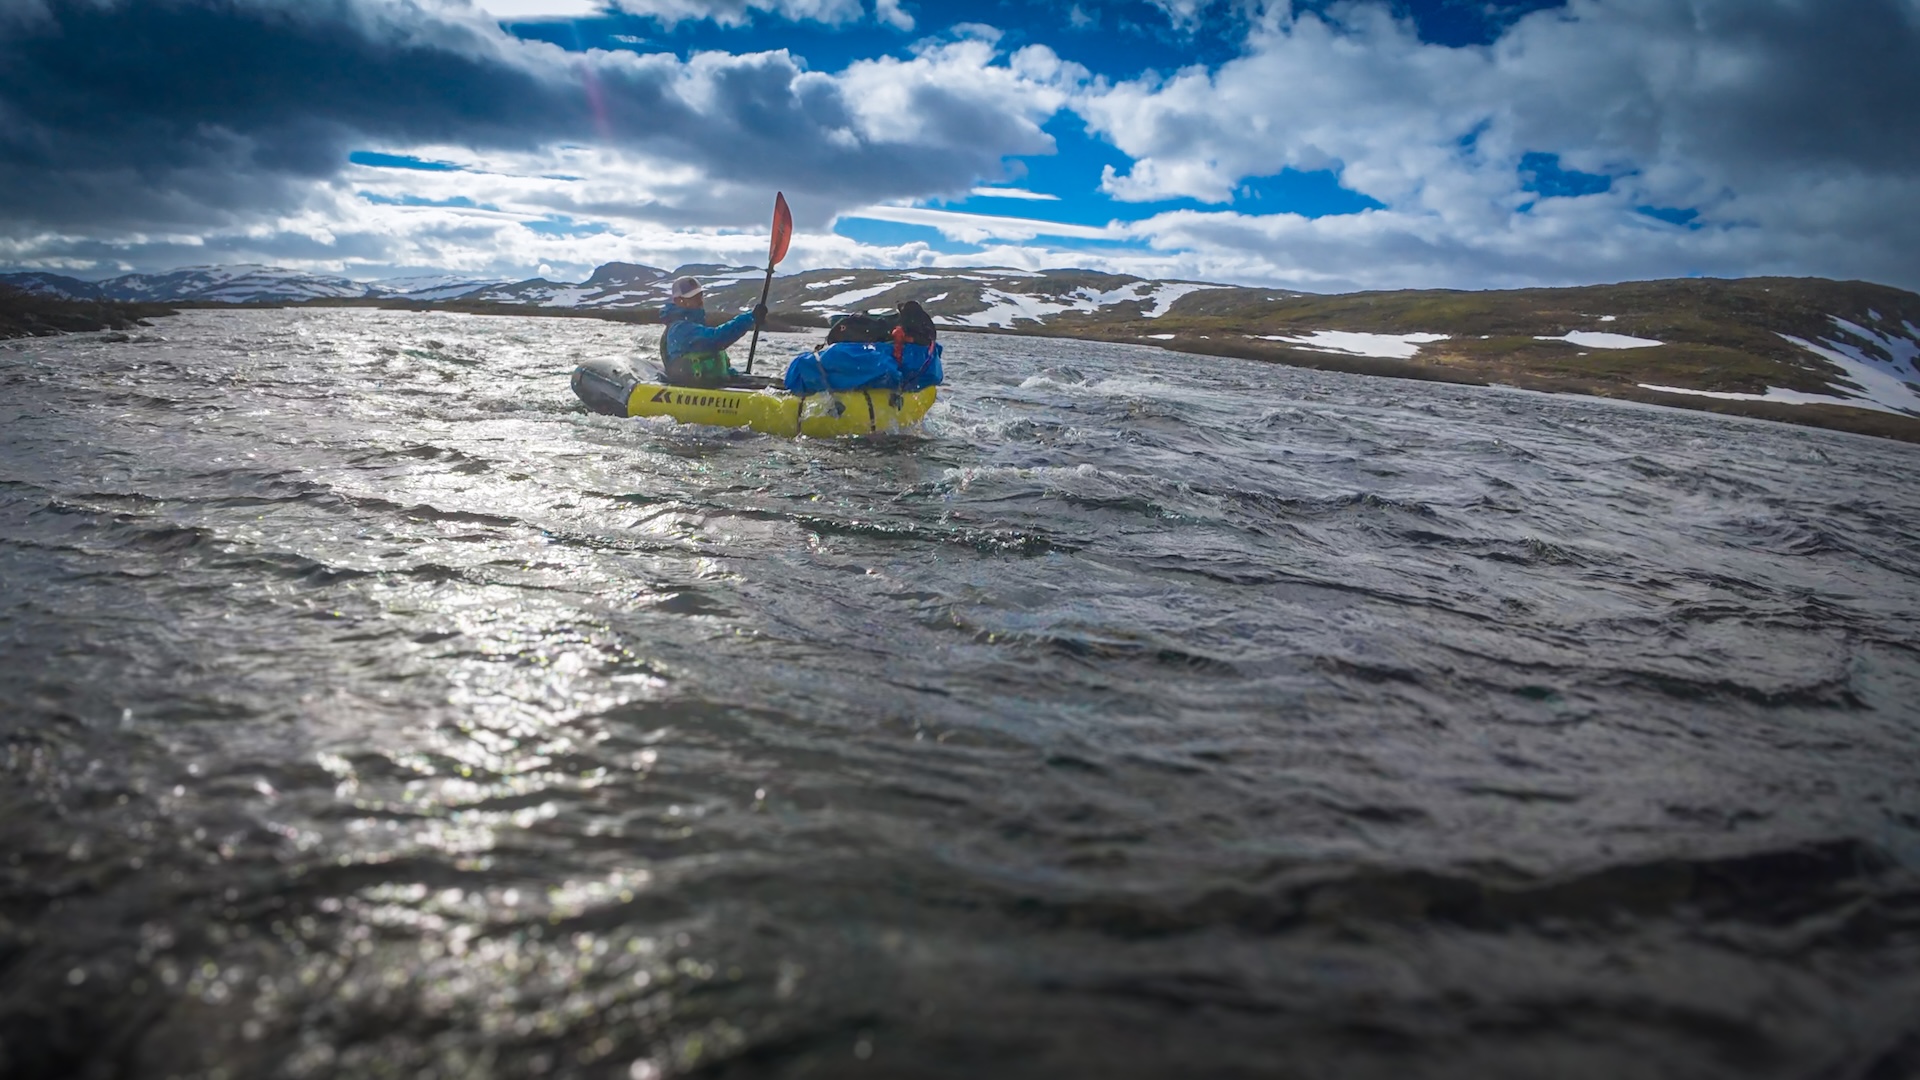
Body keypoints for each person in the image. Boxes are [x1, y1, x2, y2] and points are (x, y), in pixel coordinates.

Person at [658, 276, 768, 387]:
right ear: (678, 301)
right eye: (693, 297)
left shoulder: (694, 326)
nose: (700, 300)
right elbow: (717, 338)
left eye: (700, 295)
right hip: (693, 389)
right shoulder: (679, 329)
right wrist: (750, 318)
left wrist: (736, 376)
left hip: (712, 383)